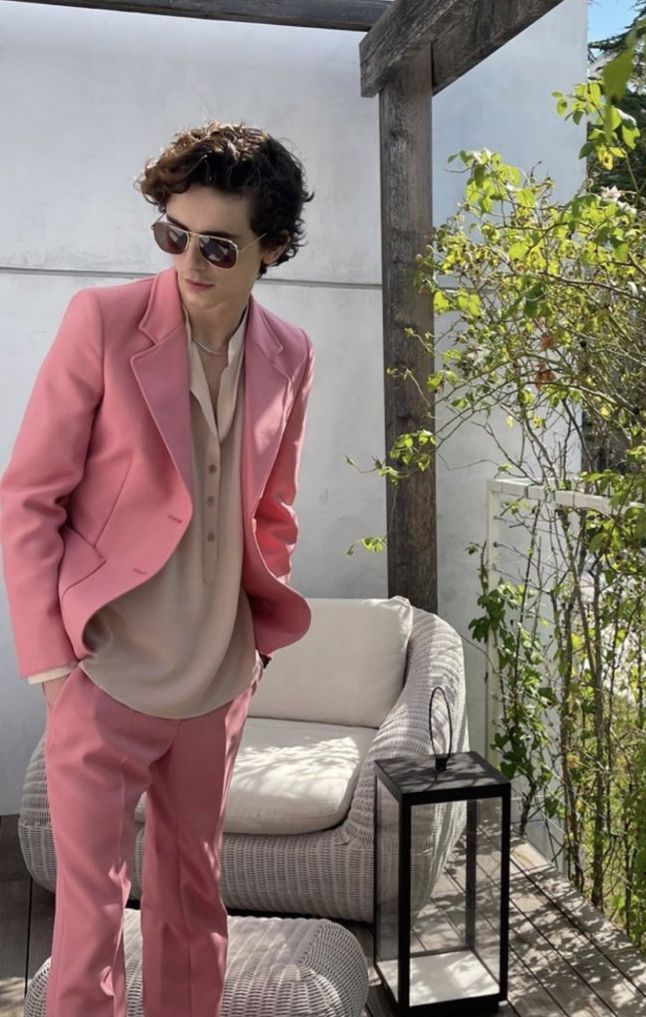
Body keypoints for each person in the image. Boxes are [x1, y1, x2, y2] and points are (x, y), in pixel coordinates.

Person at [0, 120, 316, 1017]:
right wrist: (55, 665)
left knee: (192, 901)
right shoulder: (101, 322)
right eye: (172, 235)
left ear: (273, 250)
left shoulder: (290, 353)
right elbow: (28, 497)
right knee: (89, 920)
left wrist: (251, 652)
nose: (190, 261)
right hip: (104, 669)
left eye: (218, 245)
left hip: (216, 678)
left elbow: (274, 508)